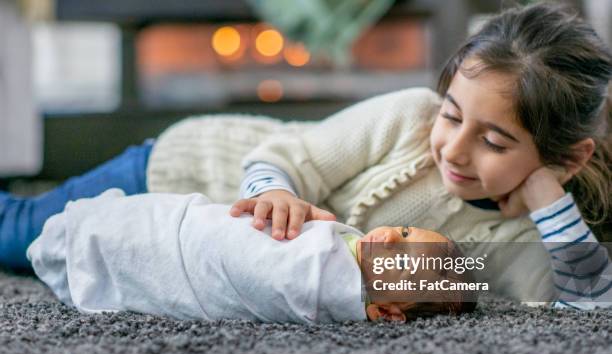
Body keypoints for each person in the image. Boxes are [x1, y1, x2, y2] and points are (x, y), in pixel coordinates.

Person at [1, 3, 610, 308]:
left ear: (568, 157)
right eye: (453, 115)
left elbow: (586, 306)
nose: (453, 146)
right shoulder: (406, 117)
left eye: (494, 141)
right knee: (22, 235)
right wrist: (278, 192)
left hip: (193, 246)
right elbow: (288, 153)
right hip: (179, 167)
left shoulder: (516, 244)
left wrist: (547, 199)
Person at [26, 188, 477, 323]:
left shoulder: (322, 280)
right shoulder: (354, 242)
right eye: (403, 231)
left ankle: (82, 243)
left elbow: (252, 269)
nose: (392, 242)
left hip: (177, 252)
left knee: (128, 238)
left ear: (387, 311)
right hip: (186, 214)